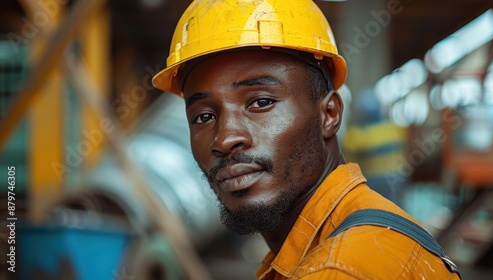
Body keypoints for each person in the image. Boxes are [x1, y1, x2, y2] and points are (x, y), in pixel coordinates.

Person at [152, 0, 461, 279]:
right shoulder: (318, 248)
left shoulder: (341, 270)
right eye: (203, 116)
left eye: (260, 102)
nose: (225, 138)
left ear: (328, 114)